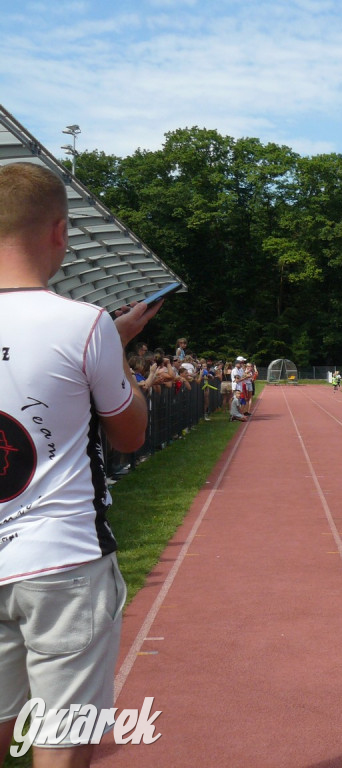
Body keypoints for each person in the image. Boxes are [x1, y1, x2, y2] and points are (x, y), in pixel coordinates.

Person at [0, 162, 161, 763]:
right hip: (62, 559)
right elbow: (129, 435)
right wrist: (113, 346)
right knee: (62, 740)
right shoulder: (84, 323)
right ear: (61, 233)